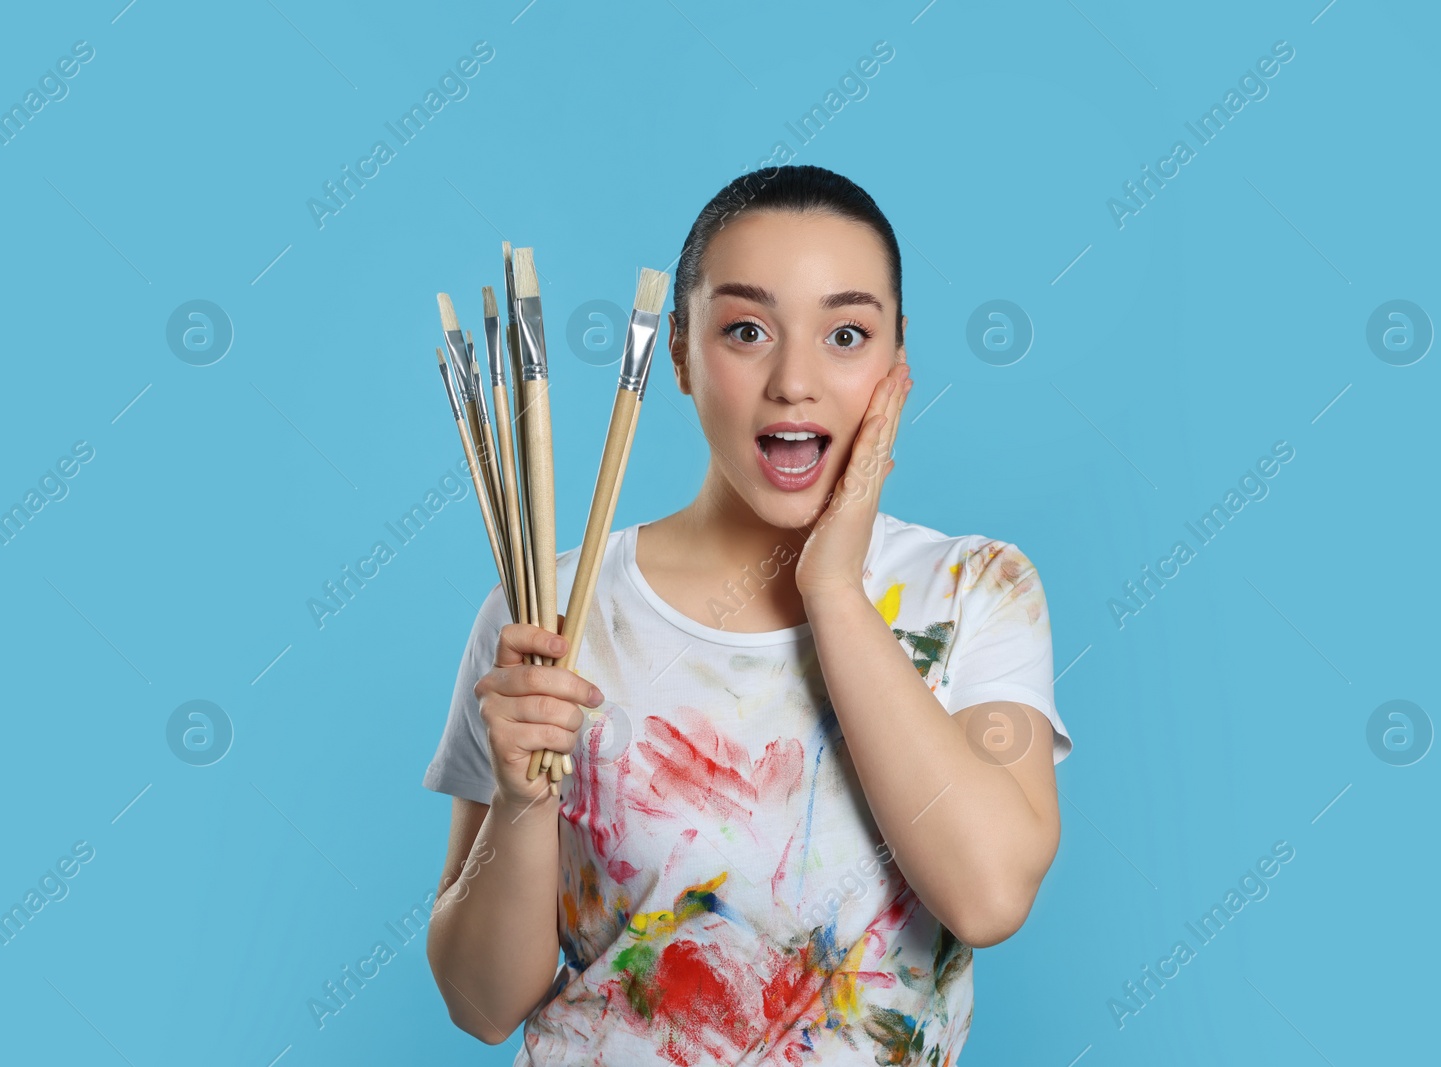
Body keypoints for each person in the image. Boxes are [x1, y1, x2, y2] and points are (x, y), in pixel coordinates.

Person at [423, 164, 1072, 1065]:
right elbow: (480, 1004)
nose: (794, 381)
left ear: (897, 359)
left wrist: (835, 590)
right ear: (680, 352)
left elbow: (989, 894)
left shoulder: (973, 589)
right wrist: (524, 801)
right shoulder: (546, 604)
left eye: (846, 333)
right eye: (746, 330)